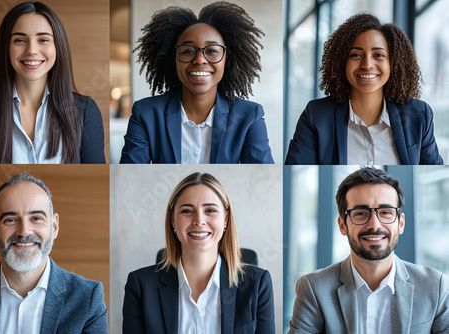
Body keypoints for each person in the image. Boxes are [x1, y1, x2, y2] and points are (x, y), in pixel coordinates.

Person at [289, 167, 449, 333]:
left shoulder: (435, 287)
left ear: (400, 223)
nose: (374, 225)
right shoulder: (314, 288)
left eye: (385, 212)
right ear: (343, 225)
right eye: (360, 213)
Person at [0, 172, 108, 333]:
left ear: (54, 227)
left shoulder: (88, 298)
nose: (24, 232)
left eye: (36, 218)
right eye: (10, 220)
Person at [120, 2, 274, 163]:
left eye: (212, 51)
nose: (200, 60)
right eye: (188, 51)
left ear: (226, 58)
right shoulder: (145, 114)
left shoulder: (250, 116)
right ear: (173, 58)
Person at [123, 172, 275, 333]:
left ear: (225, 219)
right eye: (187, 211)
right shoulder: (140, 285)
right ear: (173, 220)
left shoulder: (258, 284)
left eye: (210, 210)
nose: (199, 221)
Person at [0, 1, 105, 163]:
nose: (31, 50)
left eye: (43, 40)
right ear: (5, 48)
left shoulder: (85, 111)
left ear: (58, 47)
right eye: (20, 40)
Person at [285, 13, 443, 165]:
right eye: (356, 55)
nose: (367, 65)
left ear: (394, 63)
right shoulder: (316, 115)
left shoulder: (419, 115)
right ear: (342, 61)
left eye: (378, 55)